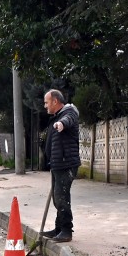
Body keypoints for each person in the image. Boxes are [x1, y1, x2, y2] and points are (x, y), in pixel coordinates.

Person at [41, 89, 81, 243]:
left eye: (46, 102)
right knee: (58, 198)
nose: (45, 106)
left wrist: (61, 124)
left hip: (66, 164)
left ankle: (66, 230)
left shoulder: (68, 112)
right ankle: (59, 228)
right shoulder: (56, 116)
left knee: (61, 197)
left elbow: (69, 120)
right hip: (57, 164)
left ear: (55, 101)